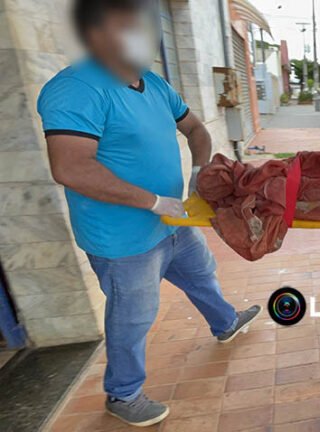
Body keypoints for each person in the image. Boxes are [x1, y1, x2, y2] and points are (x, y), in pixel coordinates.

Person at [37, 0, 260, 427]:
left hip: (173, 222)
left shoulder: (154, 84)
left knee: (201, 273)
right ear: (96, 34)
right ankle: (122, 394)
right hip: (122, 238)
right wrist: (153, 202)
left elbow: (195, 129)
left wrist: (198, 173)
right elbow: (70, 167)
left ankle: (226, 322)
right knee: (133, 317)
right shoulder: (77, 88)